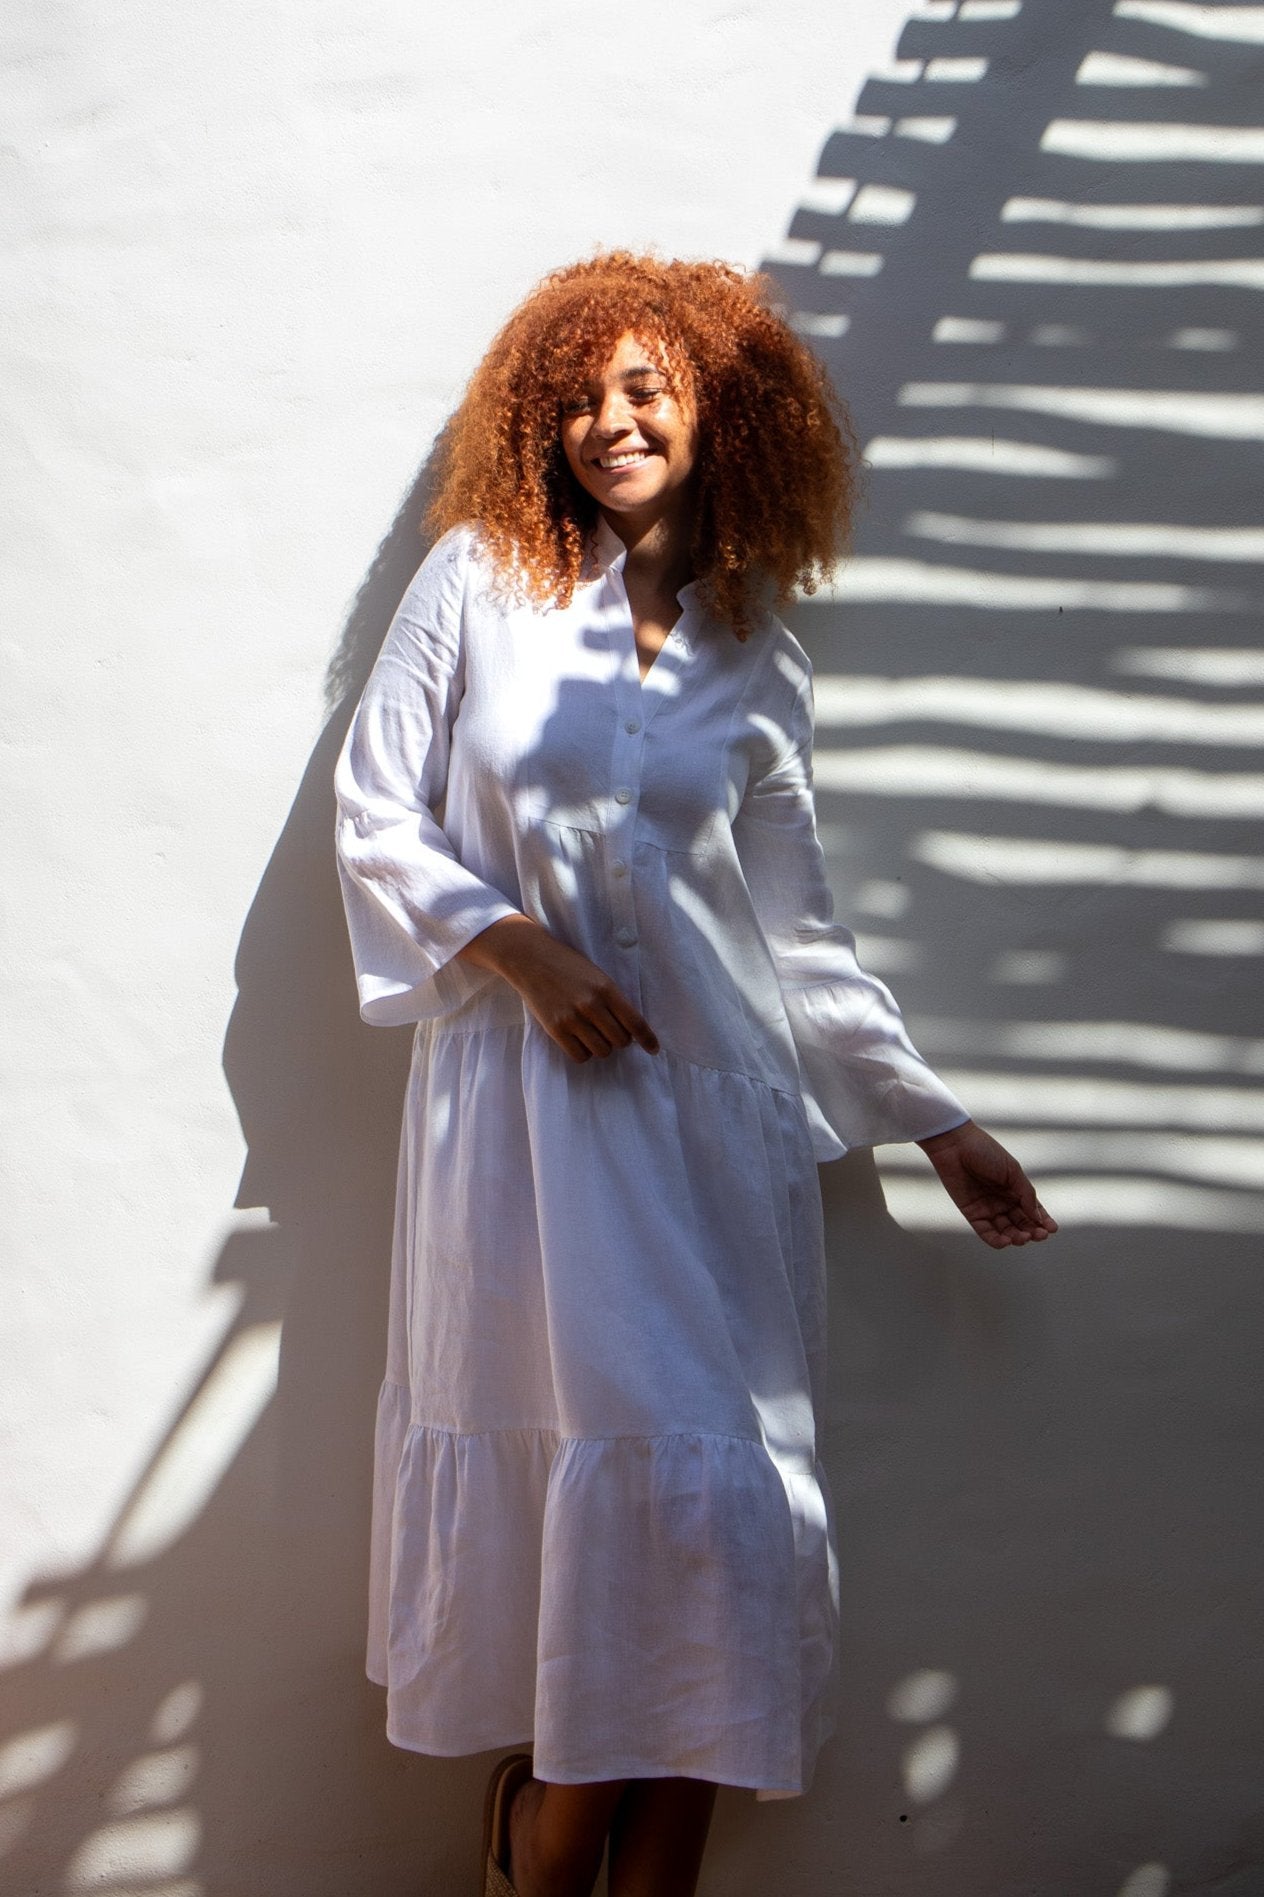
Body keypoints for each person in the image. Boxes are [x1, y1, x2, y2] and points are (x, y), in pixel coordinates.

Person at [334, 251, 1057, 1897]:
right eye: (581, 395)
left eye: (648, 388)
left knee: (716, 1522)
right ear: (542, 420)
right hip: (529, 1128)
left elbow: (795, 938)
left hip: (712, 1132)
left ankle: (623, 1870)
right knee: (626, 1498)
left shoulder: (762, 656)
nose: (611, 420)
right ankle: (551, 1828)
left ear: (720, 411)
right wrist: (517, 948)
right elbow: (377, 814)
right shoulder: (477, 584)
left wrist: (938, 1119)